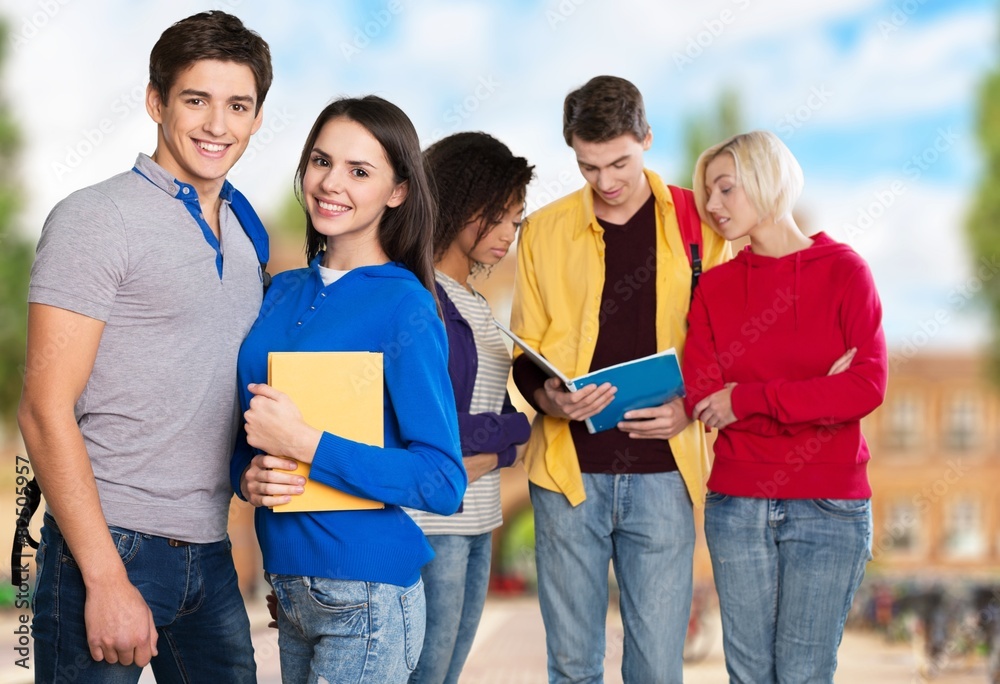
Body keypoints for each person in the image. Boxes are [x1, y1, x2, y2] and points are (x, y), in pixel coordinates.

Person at [16, 11, 271, 682]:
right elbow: (44, 409)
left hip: (211, 552)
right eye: (197, 100)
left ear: (257, 118)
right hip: (107, 545)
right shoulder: (96, 219)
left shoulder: (249, 236)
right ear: (157, 102)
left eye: (237, 105)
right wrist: (104, 579)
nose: (218, 124)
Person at [231, 96, 467, 684]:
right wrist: (246, 476)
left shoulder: (406, 304)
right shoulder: (279, 292)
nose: (331, 183)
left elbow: (441, 480)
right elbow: (248, 427)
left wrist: (308, 444)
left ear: (398, 191)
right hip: (290, 585)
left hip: (369, 594)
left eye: (360, 171)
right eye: (321, 161)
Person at [510, 75, 731, 683]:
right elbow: (525, 351)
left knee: (657, 669)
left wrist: (689, 405)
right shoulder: (545, 231)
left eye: (619, 163)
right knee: (574, 666)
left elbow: (730, 344)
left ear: (647, 139)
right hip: (566, 476)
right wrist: (550, 397)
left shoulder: (701, 226)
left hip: (665, 476)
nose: (605, 182)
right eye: (588, 166)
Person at [683, 130, 887, 683]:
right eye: (708, 193)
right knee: (748, 675)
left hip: (828, 506)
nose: (713, 205)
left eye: (726, 189)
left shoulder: (846, 273)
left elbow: (864, 388)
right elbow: (704, 397)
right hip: (737, 504)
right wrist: (816, 392)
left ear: (767, 182)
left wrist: (747, 398)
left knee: (803, 673)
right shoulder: (715, 288)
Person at [408, 132, 534, 684]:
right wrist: (515, 432)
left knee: (447, 672)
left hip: (478, 518)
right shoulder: (419, 296)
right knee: (427, 672)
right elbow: (432, 428)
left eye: (517, 220)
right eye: (498, 217)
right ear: (457, 201)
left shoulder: (478, 304)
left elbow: (497, 415)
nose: (509, 233)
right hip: (433, 521)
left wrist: (511, 432)